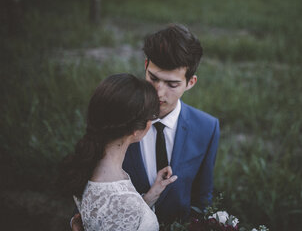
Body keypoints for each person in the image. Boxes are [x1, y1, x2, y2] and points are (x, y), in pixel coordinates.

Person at [71, 24, 220, 229]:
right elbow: (87, 182)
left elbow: (202, 198)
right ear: (145, 65)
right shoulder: (118, 113)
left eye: (172, 84)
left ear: (191, 82)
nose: (158, 93)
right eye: (153, 78)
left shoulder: (207, 128)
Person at [60, 73, 177, 231]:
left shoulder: (87, 166)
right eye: (152, 116)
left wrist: (149, 197)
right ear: (137, 130)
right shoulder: (125, 201)